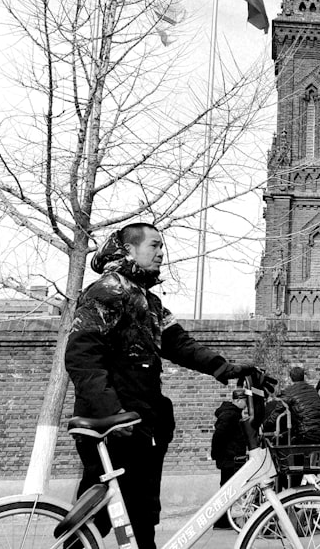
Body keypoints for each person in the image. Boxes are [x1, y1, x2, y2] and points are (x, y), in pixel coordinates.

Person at [65, 223, 261, 549]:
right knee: (99, 517)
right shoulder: (107, 291)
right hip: (115, 424)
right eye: (154, 245)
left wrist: (227, 369)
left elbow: (181, 345)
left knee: (140, 517)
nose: (160, 253)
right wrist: (111, 411)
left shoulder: (149, 303)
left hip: (141, 425)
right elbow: (81, 356)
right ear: (129, 250)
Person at [210, 389, 249, 530]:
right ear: (238, 400)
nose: (246, 404)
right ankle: (221, 522)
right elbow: (218, 436)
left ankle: (223, 521)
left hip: (230, 457)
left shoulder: (233, 413)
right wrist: (217, 454)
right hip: (229, 458)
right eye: (245, 401)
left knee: (227, 489)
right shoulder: (230, 415)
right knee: (227, 490)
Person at [279, 366, 320, 444]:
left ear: (291, 378)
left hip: (306, 433)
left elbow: (278, 410)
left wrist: (266, 424)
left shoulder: (289, 391)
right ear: (303, 377)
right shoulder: (313, 390)